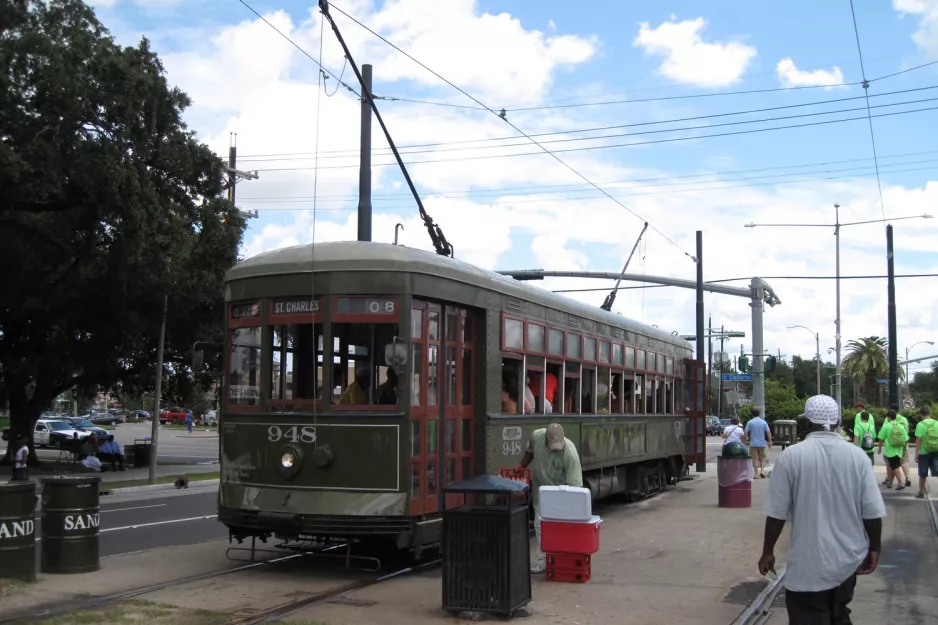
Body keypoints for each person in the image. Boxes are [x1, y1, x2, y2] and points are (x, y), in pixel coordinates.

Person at [760, 394, 885, 624]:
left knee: (808, 616)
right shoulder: (858, 457)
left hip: (808, 564)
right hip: (848, 560)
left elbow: (776, 513)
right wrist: (874, 547)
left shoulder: (791, 456)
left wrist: (768, 550)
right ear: (838, 423)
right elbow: (872, 512)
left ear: (806, 423)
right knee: (839, 614)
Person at [518, 423, 583, 574]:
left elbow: (575, 486)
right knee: (539, 523)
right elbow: (530, 451)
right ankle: (543, 561)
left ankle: (560, 557)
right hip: (541, 487)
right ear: (546, 438)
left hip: (561, 491)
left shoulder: (570, 453)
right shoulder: (537, 436)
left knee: (560, 525)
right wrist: (522, 465)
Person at [877, 410, 909, 491]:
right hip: (899, 450)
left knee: (894, 467)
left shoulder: (886, 426)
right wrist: (904, 449)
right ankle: (890, 482)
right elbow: (906, 439)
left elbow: (881, 438)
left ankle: (900, 483)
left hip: (890, 450)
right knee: (893, 466)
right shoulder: (900, 426)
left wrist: (880, 448)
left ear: (888, 417)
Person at [913, 405, 938, 500]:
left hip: (924, 452)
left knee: (922, 473)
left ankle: (921, 492)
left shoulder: (920, 424)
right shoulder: (936, 423)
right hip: (936, 450)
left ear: (921, 414)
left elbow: (918, 439)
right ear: (930, 413)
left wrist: (916, 453)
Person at [744, 409, 772, 478]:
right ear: (759, 414)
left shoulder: (750, 422)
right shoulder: (764, 422)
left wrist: (745, 440)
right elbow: (768, 432)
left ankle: (756, 474)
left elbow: (746, 432)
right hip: (762, 443)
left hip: (753, 443)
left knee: (754, 459)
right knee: (762, 458)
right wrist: (770, 441)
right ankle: (762, 471)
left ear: (752, 414)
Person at [890, 403, 912, 488]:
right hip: (903, 444)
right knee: (904, 462)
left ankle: (891, 480)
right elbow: (907, 432)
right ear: (898, 410)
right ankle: (908, 478)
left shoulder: (889, 419)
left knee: (893, 464)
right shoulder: (904, 420)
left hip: (892, 446)